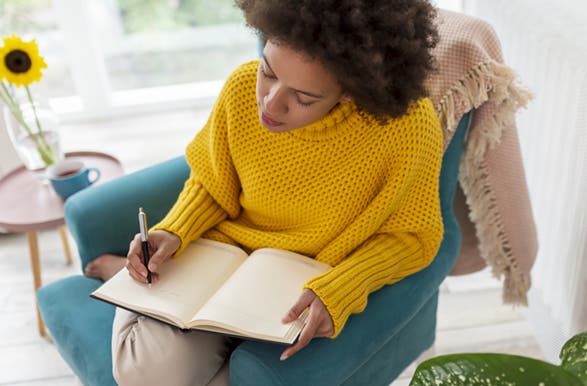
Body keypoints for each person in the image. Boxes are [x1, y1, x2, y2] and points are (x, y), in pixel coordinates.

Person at [84, 0, 442, 385]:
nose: (270, 103)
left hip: (301, 282)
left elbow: (411, 236)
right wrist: (173, 230)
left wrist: (342, 288)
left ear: (350, 92)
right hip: (217, 261)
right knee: (145, 374)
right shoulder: (240, 89)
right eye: (268, 73)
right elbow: (211, 183)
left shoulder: (407, 129)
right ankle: (126, 273)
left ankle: (120, 276)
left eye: (303, 98)